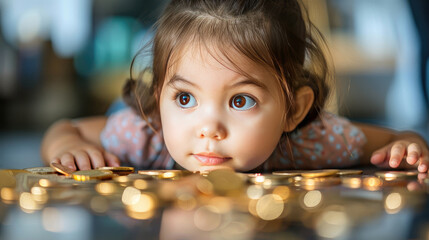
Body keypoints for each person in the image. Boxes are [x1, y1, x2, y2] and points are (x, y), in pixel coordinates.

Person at [41, 0, 428, 173]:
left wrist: (406, 149)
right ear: (160, 98)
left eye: (241, 100)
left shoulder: (313, 140)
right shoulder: (146, 133)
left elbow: (401, 139)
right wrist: (70, 147)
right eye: (186, 98)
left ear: (293, 109)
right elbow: (67, 128)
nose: (209, 128)